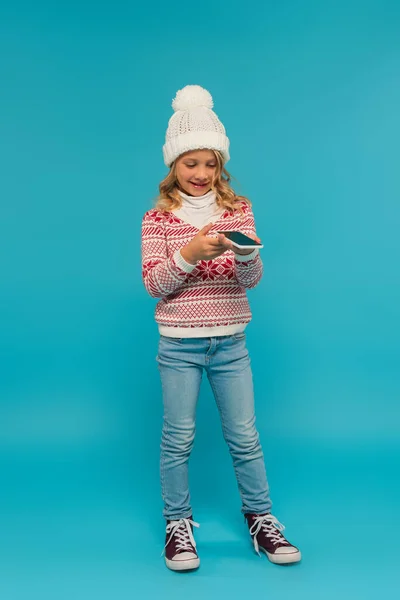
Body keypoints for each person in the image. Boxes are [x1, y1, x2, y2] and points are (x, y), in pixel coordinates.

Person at [141, 85, 301, 571]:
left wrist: (247, 253)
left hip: (232, 342)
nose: (201, 174)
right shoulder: (157, 219)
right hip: (179, 347)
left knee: (245, 437)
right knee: (178, 438)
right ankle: (178, 524)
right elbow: (153, 283)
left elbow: (250, 279)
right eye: (191, 164)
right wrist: (189, 255)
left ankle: (260, 518)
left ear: (220, 165)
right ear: (174, 165)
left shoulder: (237, 209)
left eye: (210, 164)